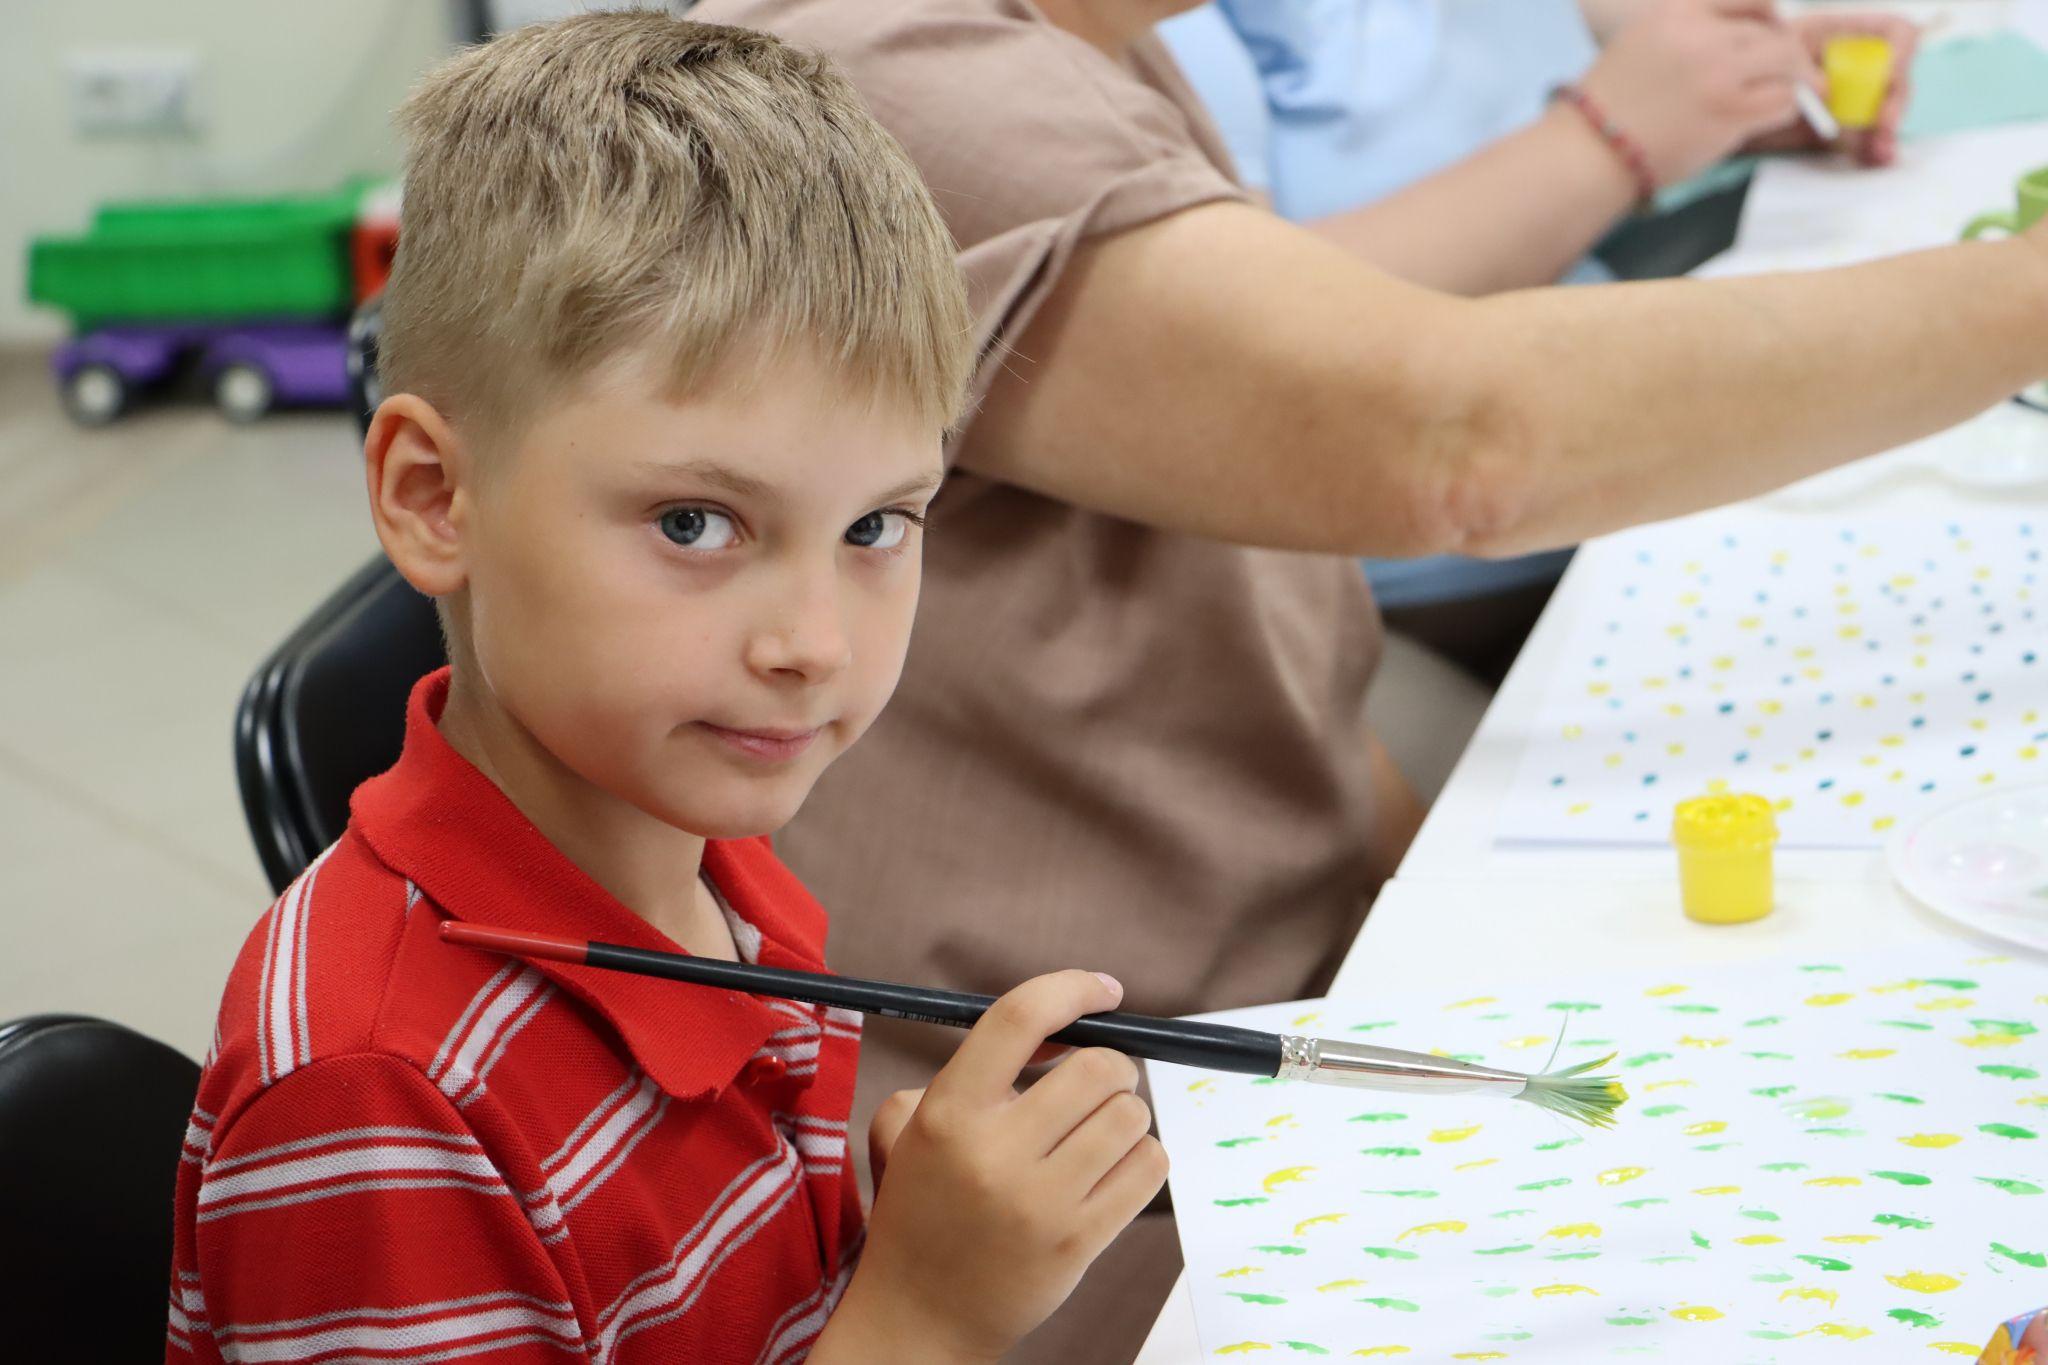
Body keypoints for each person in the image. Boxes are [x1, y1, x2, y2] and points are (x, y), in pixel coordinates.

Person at [685, 0, 2048, 1359]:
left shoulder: (1075, 47)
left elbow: (1279, 548)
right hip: (1105, 1152)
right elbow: (1457, 441)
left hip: (1250, 1022)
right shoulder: (906, 67)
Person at [165, 15, 1166, 1363]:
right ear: (433, 496)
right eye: (696, 523)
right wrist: (923, 1314)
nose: (813, 641)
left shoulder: (714, 871)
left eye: (878, 525)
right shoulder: (375, 1097)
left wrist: (892, 1238)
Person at [1158, 0, 1920, 694]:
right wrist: (1610, 134)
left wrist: (1733, 88)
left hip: (1611, 464)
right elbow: (1252, 333)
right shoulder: (1152, 36)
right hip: (1454, 567)